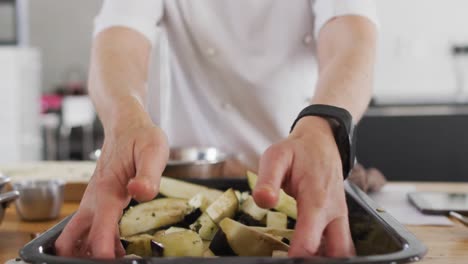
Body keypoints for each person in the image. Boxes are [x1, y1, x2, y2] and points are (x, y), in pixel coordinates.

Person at [55, 0, 378, 258]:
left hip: (301, 178)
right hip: (187, 182)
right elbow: (120, 35)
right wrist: (124, 121)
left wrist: (324, 126)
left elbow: (351, 35)